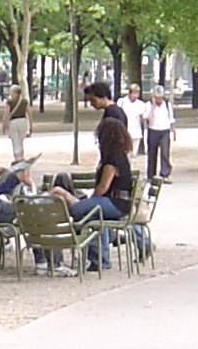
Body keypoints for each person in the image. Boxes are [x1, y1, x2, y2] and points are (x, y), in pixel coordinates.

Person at [54, 112, 134, 269]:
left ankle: (63, 194)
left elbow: (103, 187)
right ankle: (99, 260)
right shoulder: (121, 156)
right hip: (120, 202)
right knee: (94, 219)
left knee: (75, 210)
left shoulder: (112, 160)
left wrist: (91, 200)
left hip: (114, 202)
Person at [144, 88, 176, 181]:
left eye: (161, 98)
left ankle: (165, 174)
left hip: (164, 130)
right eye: (157, 98)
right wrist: (153, 106)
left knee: (165, 152)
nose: (159, 100)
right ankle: (151, 175)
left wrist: (173, 129)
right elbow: (148, 118)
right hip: (153, 130)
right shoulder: (148, 105)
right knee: (152, 153)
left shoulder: (167, 105)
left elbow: (170, 118)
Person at [3, 84, 31, 162]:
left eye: (12, 92)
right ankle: (21, 157)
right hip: (23, 121)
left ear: (15, 93)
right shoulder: (24, 101)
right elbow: (29, 113)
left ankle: (17, 159)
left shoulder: (9, 102)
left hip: (13, 122)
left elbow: (6, 114)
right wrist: (30, 125)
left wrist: (4, 126)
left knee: (15, 141)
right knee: (21, 141)